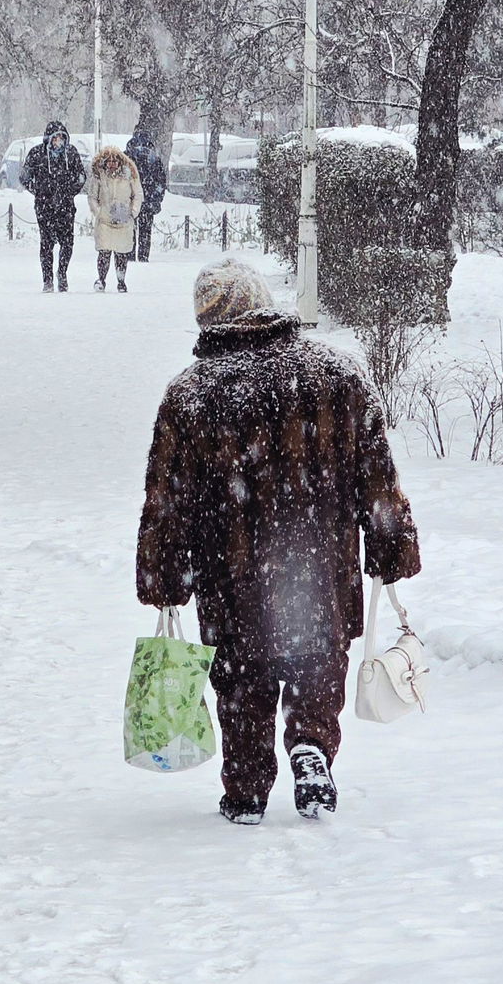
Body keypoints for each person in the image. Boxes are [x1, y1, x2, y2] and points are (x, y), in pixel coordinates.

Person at [135, 261, 421, 824]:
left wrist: (163, 574)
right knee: (318, 661)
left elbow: (166, 499)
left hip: (231, 573)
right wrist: (390, 547)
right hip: (318, 569)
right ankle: (312, 746)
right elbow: (378, 478)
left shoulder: (191, 394)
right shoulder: (335, 375)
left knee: (242, 675)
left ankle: (245, 788)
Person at [22, 121, 86, 292]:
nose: (58, 141)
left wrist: (70, 190)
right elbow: (25, 176)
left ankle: (62, 273)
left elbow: (81, 175)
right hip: (45, 206)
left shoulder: (71, 153)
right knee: (46, 243)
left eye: (61, 137)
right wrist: (38, 190)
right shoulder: (37, 154)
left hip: (66, 205)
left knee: (67, 243)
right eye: (55, 138)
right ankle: (47, 279)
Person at [86, 143, 142, 292]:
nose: (112, 164)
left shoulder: (130, 176)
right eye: (109, 161)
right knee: (104, 251)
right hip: (105, 220)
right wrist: (99, 212)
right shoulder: (99, 176)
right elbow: (92, 196)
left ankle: (121, 280)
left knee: (121, 252)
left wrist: (132, 213)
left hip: (124, 220)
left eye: (115, 161)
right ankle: (101, 279)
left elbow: (137, 195)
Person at [125, 128, 169, 261]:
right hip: (147, 199)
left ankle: (129, 255)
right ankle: (143, 256)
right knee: (145, 231)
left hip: (130, 200)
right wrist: (156, 197)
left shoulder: (127, 157)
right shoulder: (153, 159)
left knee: (130, 229)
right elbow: (160, 181)